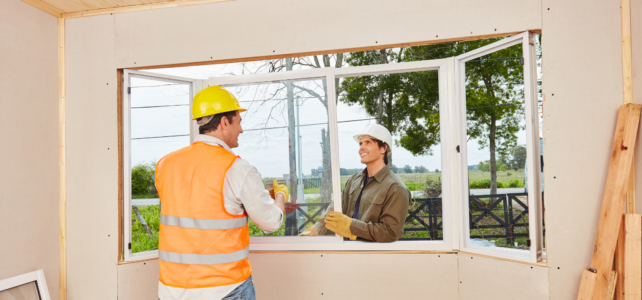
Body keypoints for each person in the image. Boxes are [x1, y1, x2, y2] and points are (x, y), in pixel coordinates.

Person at [155, 86, 288, 300]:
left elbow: (197, 205)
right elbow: (271, 222)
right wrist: (280, 196)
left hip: (171, 290)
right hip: (224, 289)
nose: (241, 130)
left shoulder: (165, 164)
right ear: (225, 122)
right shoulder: (237, 169)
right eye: (239, 121)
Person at [300, 124, 410, 242]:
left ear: (383, 148)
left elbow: (390, 233)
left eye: (368, 142)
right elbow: (336, 207)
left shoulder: (396, 188)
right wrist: (316, 230)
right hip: (346, 250)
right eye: (360, 144)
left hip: (372, 256)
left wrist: (351, 226)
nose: (361, 148)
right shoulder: (354, 180)